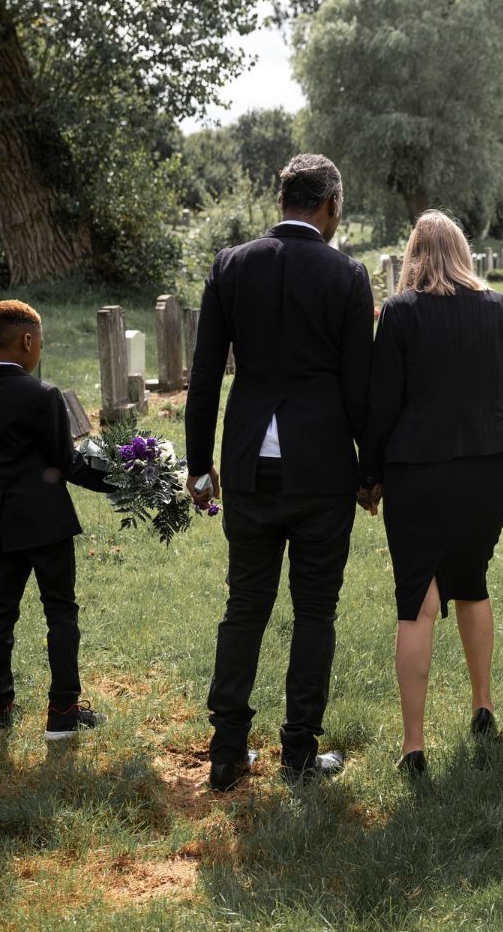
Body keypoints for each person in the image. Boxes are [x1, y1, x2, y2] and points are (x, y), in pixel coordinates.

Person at [185, 154, 374, 791]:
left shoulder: (232, 265)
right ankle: (298, 754)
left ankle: (227, 751)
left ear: (280, 201)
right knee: (315, 612)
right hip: (321, 466)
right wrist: (369, 469)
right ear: (330, 208)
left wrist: (198, 463)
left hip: (246, 463)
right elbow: (359, 385)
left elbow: (206, 373)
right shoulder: (346, 274)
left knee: (246, 607)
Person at [359, 210, 503, 776]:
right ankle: (483, 704)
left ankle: (414, 744)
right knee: (473, 583)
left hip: (417, 472)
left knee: (418, 602)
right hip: (485, 468)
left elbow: (383, 403)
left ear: (414, 255)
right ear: (463, 252)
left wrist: (369, 475)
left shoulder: (402, 314)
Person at [0, 299, 117, 741]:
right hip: (46, 522)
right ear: (27, 341)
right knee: (61, 613)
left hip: (1, 518)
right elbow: (66, 463)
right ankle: (63, 712)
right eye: (40, 342)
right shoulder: (42, 394)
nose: (40, 350)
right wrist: (122, 481)